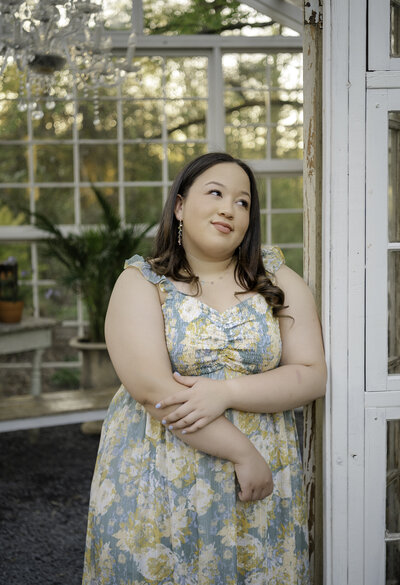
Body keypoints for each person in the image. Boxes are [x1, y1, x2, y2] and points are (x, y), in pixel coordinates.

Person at [82, 152, 326, 585]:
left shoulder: (278, 279)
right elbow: (153, 389)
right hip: (160, 477)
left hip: (260, 489)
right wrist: (243, 452)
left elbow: (310, 373)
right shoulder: (141, 283)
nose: (228, 208)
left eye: (243, 202)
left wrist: (225, 392)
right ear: (179, 205)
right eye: (215, 193)